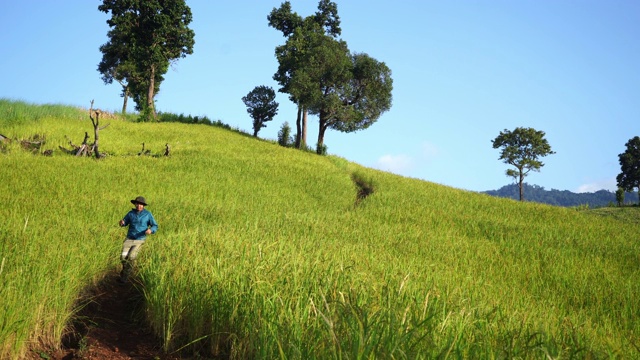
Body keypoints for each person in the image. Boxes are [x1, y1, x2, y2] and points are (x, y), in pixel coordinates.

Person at [118, 196, 158, 283]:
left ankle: (124, 278)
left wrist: (150, 230)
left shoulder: (148, 214)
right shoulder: (130, 214)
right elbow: (124, 222)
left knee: (132, 257)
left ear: (143, 205)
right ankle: (125, 272)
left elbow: (155, 225)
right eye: (137, 204)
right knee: (123, 257)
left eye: (141, 204)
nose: (139, 206)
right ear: (135, 204)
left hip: (139, 240)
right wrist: (122, 223)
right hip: (129, 239)